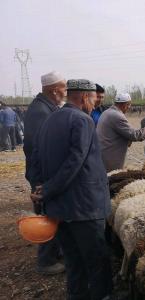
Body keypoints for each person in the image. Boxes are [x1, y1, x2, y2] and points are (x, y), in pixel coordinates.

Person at [30, 79, 113, 300]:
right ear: (85, 96)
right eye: (94, 98)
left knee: (73, 262)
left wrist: (42, 191)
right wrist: (47, 189)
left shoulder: (50, 119)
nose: (95, 103)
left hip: (60, 209)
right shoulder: (82, 120)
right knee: (97, 262)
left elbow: (35, 159)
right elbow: (75, 162)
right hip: (84, 208)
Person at [23, 71, 67, 275]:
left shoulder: (46, 107)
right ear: (54, 90)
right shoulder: (41, 112)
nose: (66, 92)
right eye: (64, 88)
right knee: (48, 215)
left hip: (45, 173)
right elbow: (37, 148)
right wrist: (43, 181)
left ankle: (55, 253)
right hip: (43, 174)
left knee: (53, 213)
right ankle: (46, 262)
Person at [97, 93, 145, 172]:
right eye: (129, 105)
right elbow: (135, 135)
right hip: (109, 161)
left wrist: (127, 139)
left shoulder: (106, 112)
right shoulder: (117, 116)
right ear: (125, 105)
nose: (129, 107)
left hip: (102, 157)